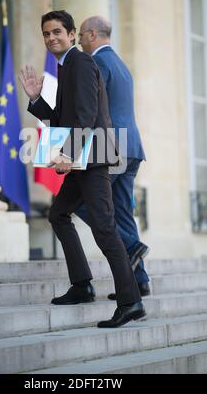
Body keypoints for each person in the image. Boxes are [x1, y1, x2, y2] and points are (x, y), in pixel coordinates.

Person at [18, 10, 145, 328]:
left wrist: (68, 155)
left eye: (57, 32)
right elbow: (63, 118)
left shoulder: (83, 63)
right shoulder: (68, 67)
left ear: (72, 34)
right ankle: (82, 285)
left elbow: (87, 114)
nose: (51, 38)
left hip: (94, 158)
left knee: (105, 229)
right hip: (84, 158)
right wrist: (36, 99)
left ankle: (131, 303)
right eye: (46, 34)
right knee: (58, 213)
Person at [77, 15, 150, 299]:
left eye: (81, 34)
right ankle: (139, 282)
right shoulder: (121, 65)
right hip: (132, 148)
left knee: (84, 201)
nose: (79, 39)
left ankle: (132, 246)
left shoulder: (96, 63)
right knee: (121, 212)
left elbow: (91, 111)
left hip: (110, 147)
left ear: (92, 34)